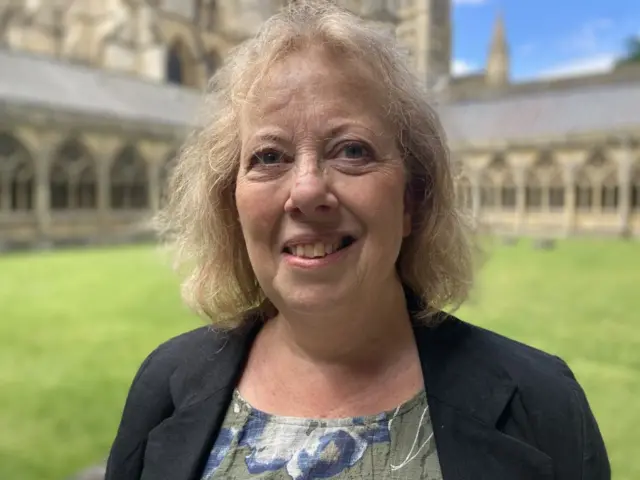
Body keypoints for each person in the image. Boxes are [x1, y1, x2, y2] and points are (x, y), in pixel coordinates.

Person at [105, 1, 610, 479]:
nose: (306, 191)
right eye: (269, 156)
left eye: (351, 150)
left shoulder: (543, 405)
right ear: (230, 203)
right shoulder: (165, 387)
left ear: (412, 200)